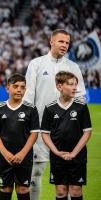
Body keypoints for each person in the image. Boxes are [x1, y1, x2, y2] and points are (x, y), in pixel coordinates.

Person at [23, 29, 86, 200]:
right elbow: (28, 97)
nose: (64, 45)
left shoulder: (73, 67)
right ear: (51, 41)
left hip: (67, 132)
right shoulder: (36, 64)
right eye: (61, 41)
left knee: (68, 179)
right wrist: (30, 124)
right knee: (36, 172)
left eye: (67, 42)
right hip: (41, 128)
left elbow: (81, 97)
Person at [41, 71, 92, 200]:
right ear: (59, 87)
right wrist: (56, 152)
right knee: (60, 191)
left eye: (76, 84)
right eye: (70, 84)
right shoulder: (50, 108)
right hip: (57, 157)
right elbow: (45, 134)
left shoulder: (81, 107)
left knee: (75, 191)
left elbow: (87, 132)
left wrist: (74, 153)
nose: (75, 87)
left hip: (78, 156)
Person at [0, 74, 40, 200]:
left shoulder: (31, 109)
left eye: (22, 87)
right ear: (8, 88)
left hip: (25, 157)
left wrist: (22, 153)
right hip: (4, 157)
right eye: (16, 86)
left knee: (23, 188)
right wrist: (5, 153)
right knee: (5, 188)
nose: (19, 90)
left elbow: (34, 133)